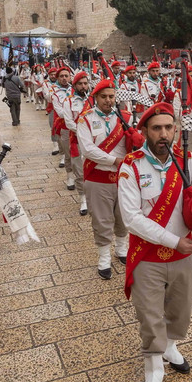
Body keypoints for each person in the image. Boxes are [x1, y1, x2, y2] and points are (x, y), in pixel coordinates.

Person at [118, 103, 192, 382]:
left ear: (176, 130)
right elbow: (131, 218)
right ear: (144, 131)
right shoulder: (132, 166)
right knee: (150, 314)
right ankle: (153, 366)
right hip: (148, 255)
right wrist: (173, 241)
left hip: (184, 254)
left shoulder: (187, 159)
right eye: (156, 128)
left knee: (181, 308)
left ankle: (170, 347)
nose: (163, 134)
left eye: (168, 127)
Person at [76, 79, 132, 279]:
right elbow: (87, 149)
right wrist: (114, 160)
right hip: (97, 176)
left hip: (123, 177)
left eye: (111, 96)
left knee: (123, 215)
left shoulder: (125, 117)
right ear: (96, 98)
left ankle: (122, 249)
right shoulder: (85, 119)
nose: (108, 100)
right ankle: (104, 258)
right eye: (103, 97)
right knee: (102, 219)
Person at [63, 70, 91, 215]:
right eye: (80, 84)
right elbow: (69, 122)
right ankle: (83, 199)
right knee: (79, 170)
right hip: (77, 139)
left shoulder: (93, 100)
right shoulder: (68, 101)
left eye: (85, 83)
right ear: (74, 85)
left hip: (93, 140)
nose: (83, 86)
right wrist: (83, 132)